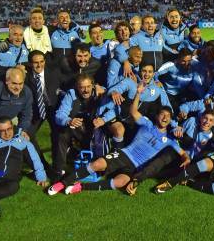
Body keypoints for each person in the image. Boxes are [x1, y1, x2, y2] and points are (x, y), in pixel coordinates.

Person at [47, 82, 190, 195]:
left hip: (135, 167)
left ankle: (80, 187)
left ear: (170, 120)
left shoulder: (170, 140)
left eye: (167, 116)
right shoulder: (147, 124)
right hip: (125, 154)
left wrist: (186, 159)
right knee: (97, 164)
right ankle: (63, 183)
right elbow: (133, 111)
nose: (164, 118)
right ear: (158, 116)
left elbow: (183, 153)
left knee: (120, 182)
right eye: (162, 115)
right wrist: (138, 94)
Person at [54, 75, 122, 175]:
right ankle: (59, 170)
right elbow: (59, 114)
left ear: (93, 85)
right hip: (77, 126)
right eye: (82, 87)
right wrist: (69, 120)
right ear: (77, 86)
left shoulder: (102, 93)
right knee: (61, 134)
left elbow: (117, 109)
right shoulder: (71, 94)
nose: (86, 90)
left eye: (88, 86)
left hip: (97, 126)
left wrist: (103, 120)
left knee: (99, 141)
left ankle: (104, 164)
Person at [25, 50, 63, 174]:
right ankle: (41, 164)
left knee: (58, 135)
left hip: (53, 108)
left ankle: (57, 167)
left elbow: (69, 81)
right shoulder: (25, 74)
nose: (39, 65)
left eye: (41, 62)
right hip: (36, 110)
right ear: (30, 63)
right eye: (35, 63)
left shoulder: (54, 72)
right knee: (27, 135)